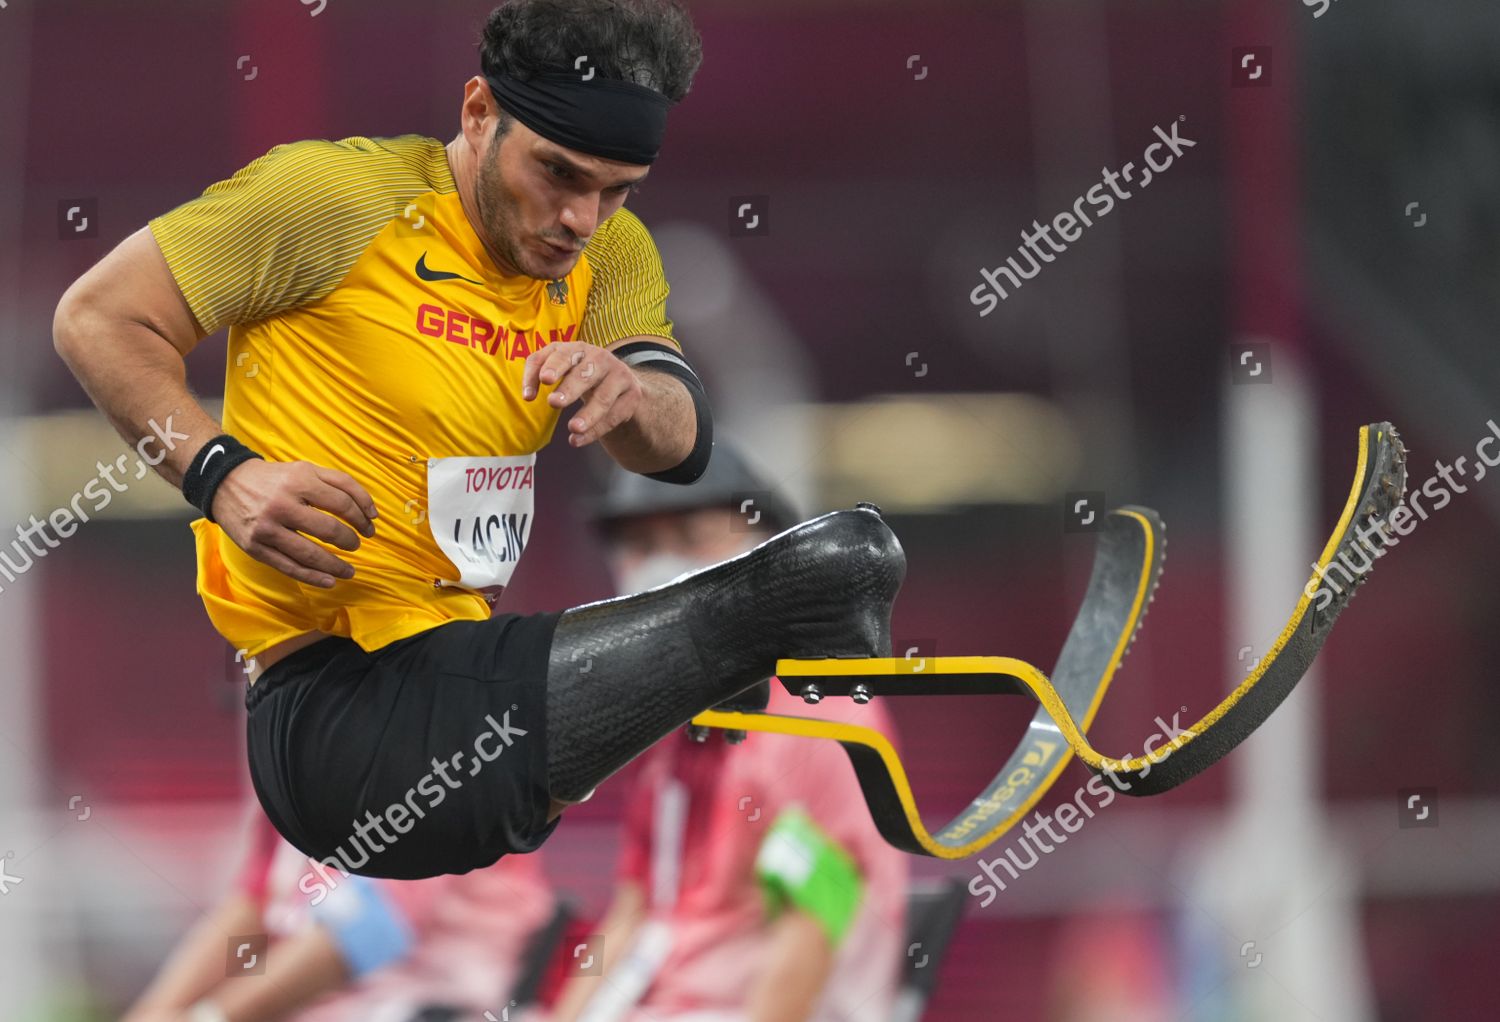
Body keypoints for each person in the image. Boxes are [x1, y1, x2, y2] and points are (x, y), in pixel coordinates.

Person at [52, 0, 905, 882]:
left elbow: (679, 443)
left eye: (616, 190)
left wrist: (634, 392)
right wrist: (222, 478)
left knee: (824, 570)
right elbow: (97, 317)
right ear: (477, 115)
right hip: (341, 725)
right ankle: (770, 679)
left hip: (466, 710)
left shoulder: (611, 259)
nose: (582, 218)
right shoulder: (332, 201)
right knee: (832, 568)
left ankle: (757, 689)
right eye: (559, 173)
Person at [547, 446, 908, 1022]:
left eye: (692, 536)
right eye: (640, 548)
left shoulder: (818, 713)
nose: (662, 566)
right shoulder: (666, 725)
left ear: (771, 551)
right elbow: (636, 909)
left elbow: (815, 919)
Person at [123, 804, 556, 1022]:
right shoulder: (294, 746)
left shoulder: (435, 740)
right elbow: (251, 908)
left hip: (434, 1003)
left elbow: (370, 933)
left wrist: (209, 1019)